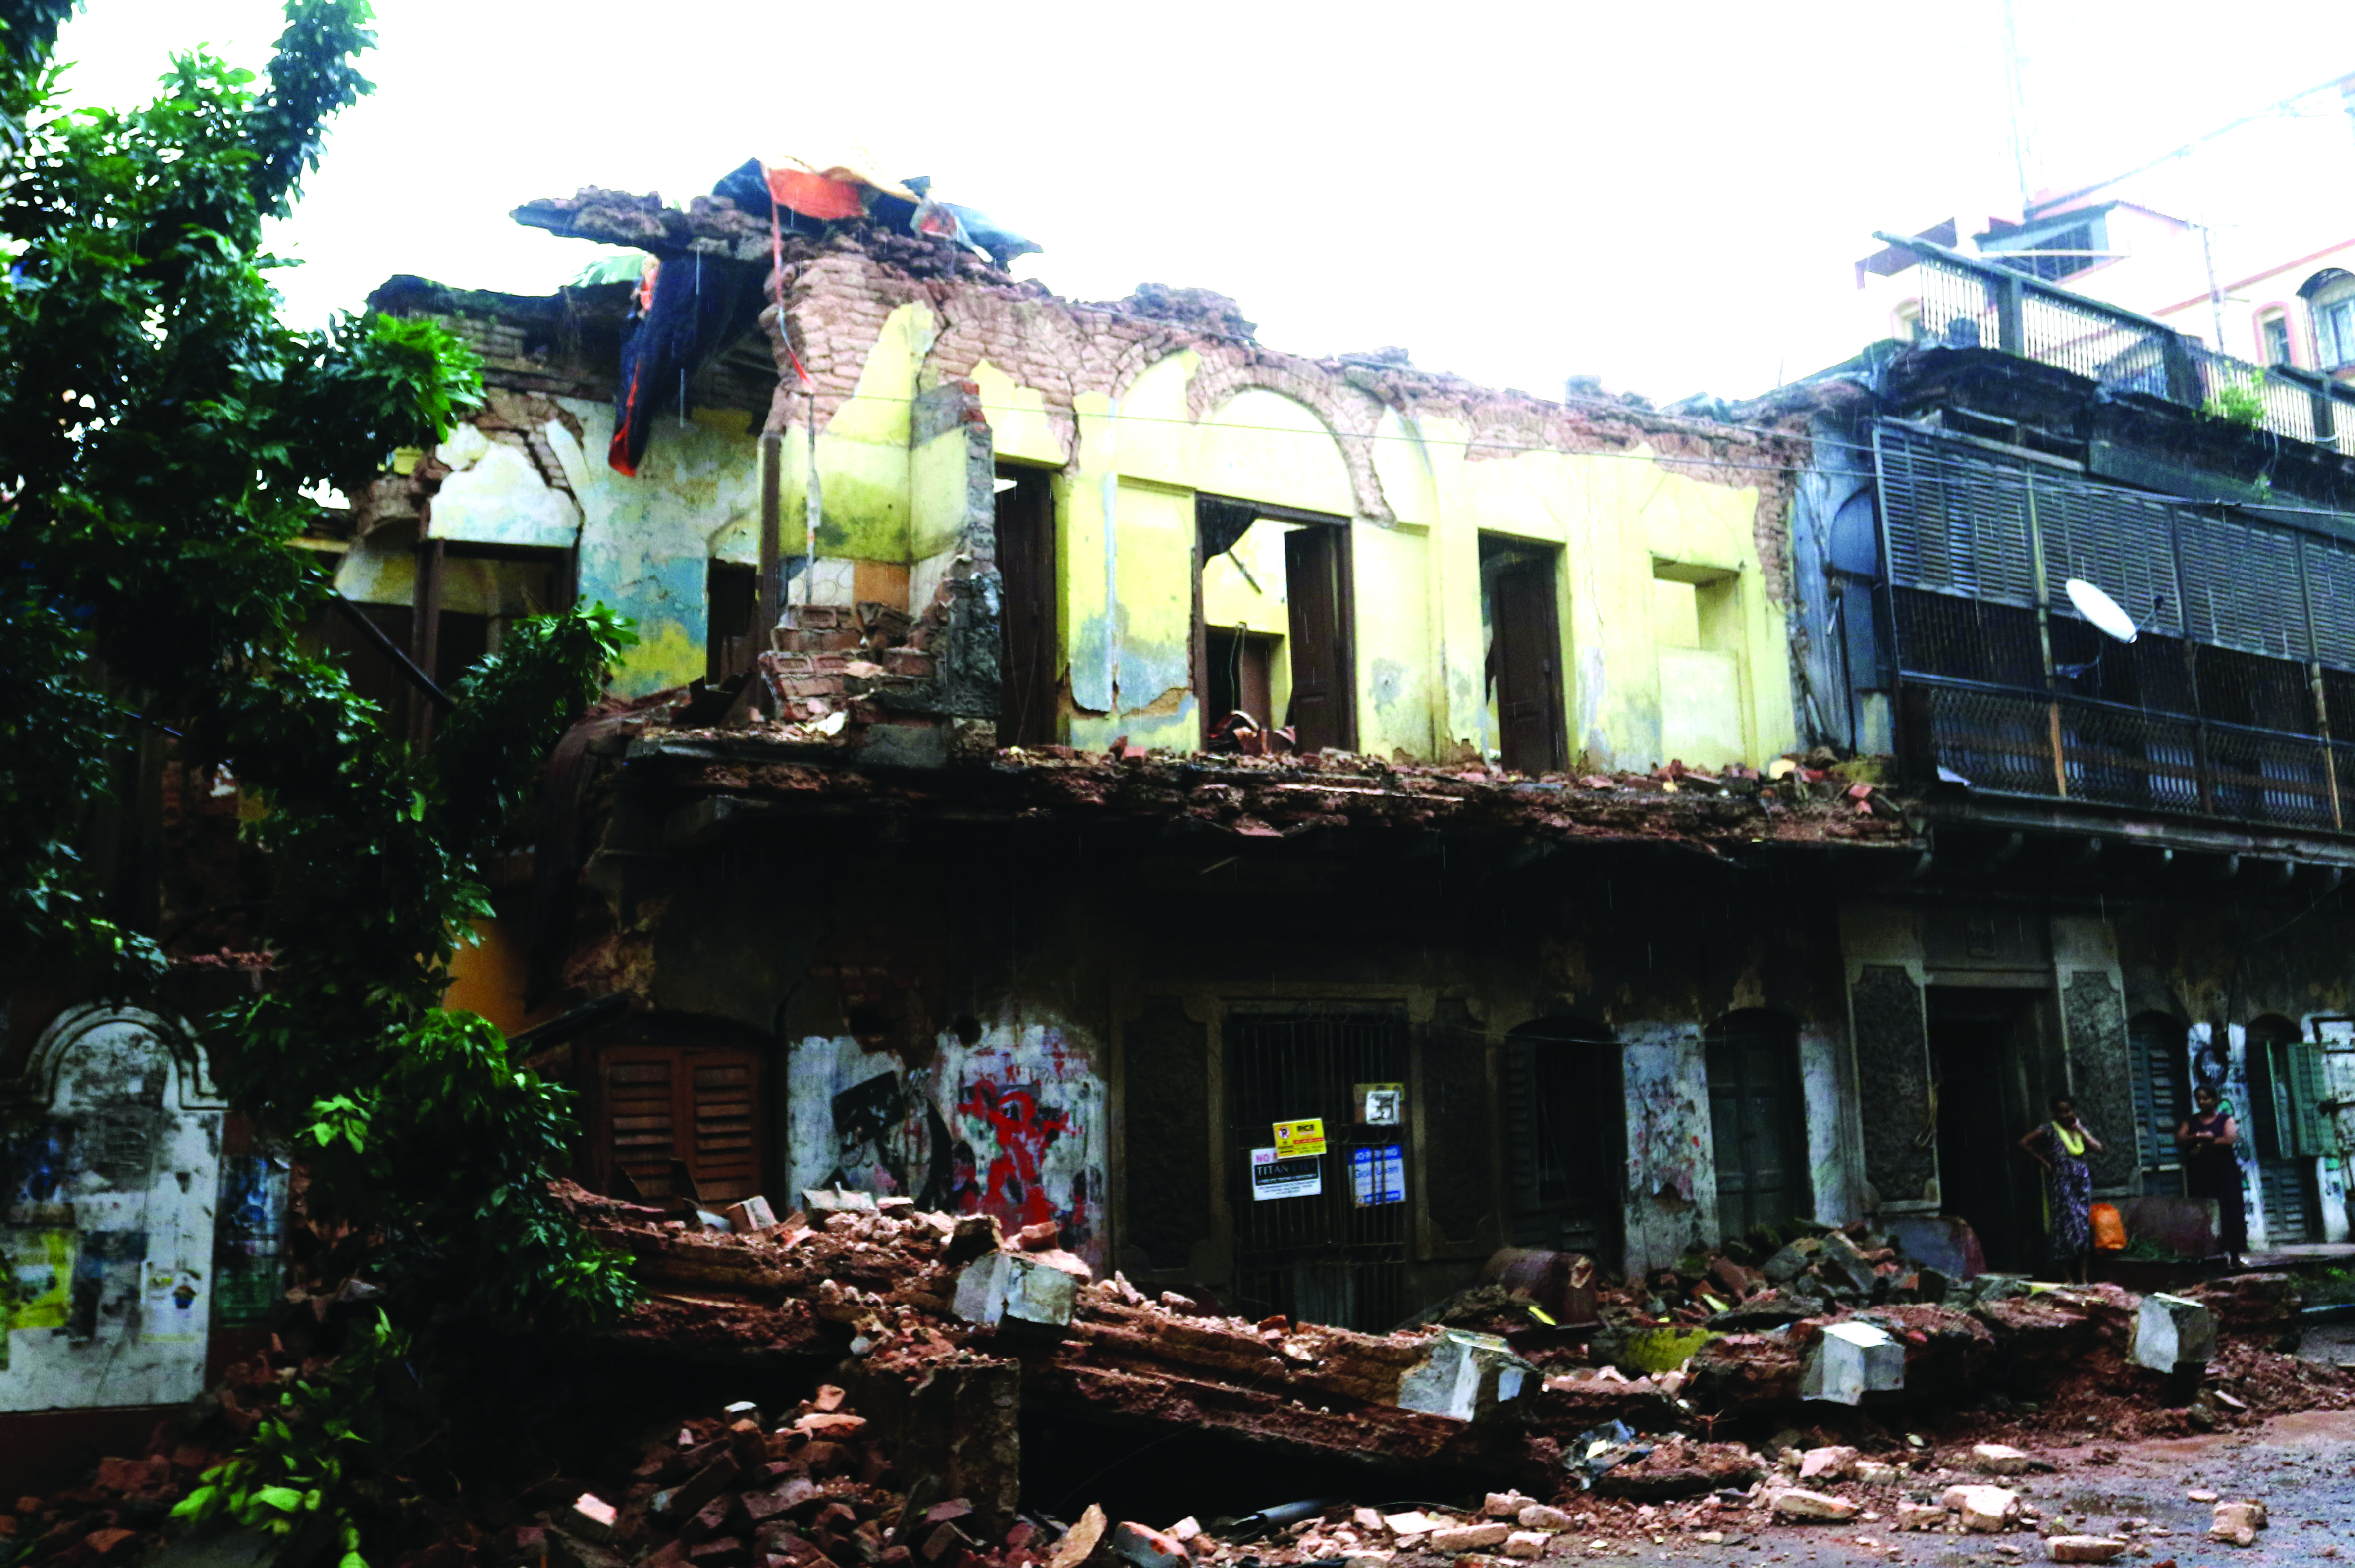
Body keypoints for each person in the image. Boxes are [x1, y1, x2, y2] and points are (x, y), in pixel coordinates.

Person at [2019, 1096, 2104, 1282]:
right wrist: (2044, 1162)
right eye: (2060, 1112)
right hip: (2061, 1183)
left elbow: (2098, 1149)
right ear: (2054, 1113)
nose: (2065, 1115)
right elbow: (2024, 1143)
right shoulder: (2049, 1130)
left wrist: (2080, 1129)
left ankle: (2083, 1278)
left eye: (2068, 1111)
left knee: (2083, 1228)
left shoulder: (2077, 1131)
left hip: (2081, 1184)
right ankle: (2067, 1278)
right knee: (2064, 1228)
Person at [2176, 1085, 2247, 1267]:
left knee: (2229, 1211)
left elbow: (2229, 1139)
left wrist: (2205, 1143)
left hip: (2224, 1174)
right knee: (2202, 1212)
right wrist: (2198, 1136)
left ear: (2214, 1100)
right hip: (2200, 1175)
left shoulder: (2225, 1119)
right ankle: (2205, 1258)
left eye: (2206, 1098)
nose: (2202, 1102)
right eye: (2199, 1099)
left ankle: (2234, 1256)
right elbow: (2180, 1139)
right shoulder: (2191, 1121)